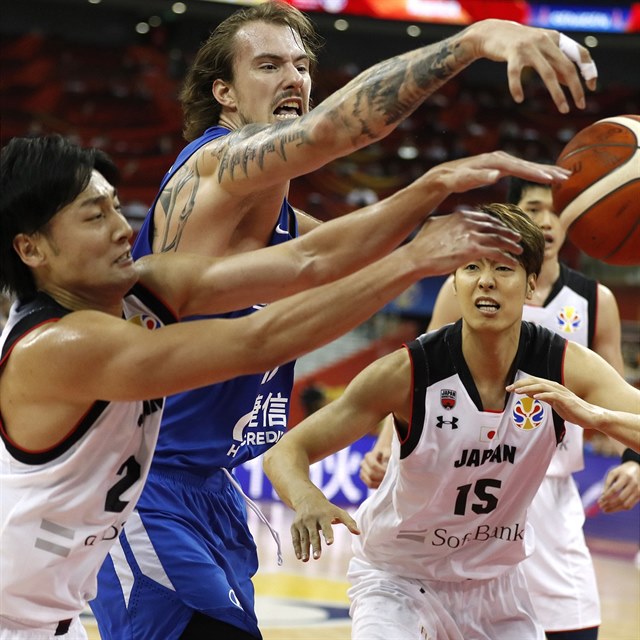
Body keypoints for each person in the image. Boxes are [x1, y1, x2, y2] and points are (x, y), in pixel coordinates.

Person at [92, 2, 599, 637]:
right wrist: (474, 41)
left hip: (207, 482)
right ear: (223, 93)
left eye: (303, 66)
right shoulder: (214, 165)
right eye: (269, 65)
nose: (294, 79)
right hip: (141, 478)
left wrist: (447, 211)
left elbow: (326, 261)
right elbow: (338, 133)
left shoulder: (286, 226)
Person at [0, 134, 545, 639]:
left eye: (117, 205)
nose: (123, 227)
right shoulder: (61, 347)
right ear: (32, 250)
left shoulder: (144, 288)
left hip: (53, 615)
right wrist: (412, 261)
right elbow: (257, 341)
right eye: (95, 216)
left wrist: (432, 186)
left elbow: (309, 259)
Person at [263, 203, 640, 640]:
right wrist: (307, 497)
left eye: (503, 267)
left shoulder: (563, 364)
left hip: (495, 587)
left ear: (531, 285)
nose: (485, 280)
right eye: (471, 267)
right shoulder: (409, 371)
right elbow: (286, 451)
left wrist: (595, 416)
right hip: (398, 580)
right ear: (455, 283)